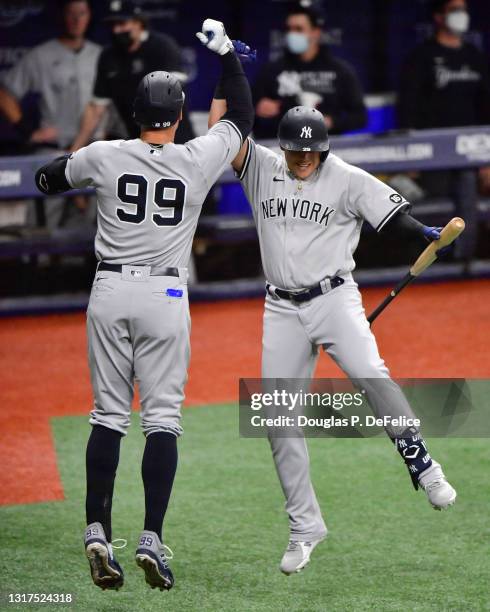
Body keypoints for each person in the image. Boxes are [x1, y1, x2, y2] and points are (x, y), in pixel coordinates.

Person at [34, 18, 253, 591]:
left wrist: (64, 168)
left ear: (134, 113)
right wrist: (228, 55)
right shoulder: (198, 157)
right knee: (162, 421)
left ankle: (97, 533)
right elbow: (243, 119)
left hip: (110, 292)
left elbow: (48, 179)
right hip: (165, 293)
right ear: (179, 117)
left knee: (108, 415)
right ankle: (151, 538)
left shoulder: (104, 154)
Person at [209, 97, 456, 574]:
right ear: (281, 148)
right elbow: (229, 129)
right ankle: (305, 527)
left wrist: (426, 232)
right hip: (280, 307)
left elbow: (391, 217)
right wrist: (227, 65)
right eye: (295, 151)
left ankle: (421, 462)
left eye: (311, 152)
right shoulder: (261, 166)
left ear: (323, 148)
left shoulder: (345, 175)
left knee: (370, 373)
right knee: (277, 421)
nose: (303, 159)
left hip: (334, 298)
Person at [398, 0, 490, 264]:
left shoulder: (474, 56)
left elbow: (485, 110)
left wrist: (485, 161)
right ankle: (462, 261)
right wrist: (411, 159)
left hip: (474, 156)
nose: (461, 15)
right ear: (439, 16)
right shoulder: (422, 57)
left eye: (464, 9)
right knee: (464, 179)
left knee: (468, 176)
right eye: (454, 9)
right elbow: (408, 111)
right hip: (433, 160)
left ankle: (464, 257)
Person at [0, 0, 102, 228]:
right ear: (62, 17)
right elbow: (5, 94)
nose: (76, 20)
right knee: (42, 227)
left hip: (91, 151)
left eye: (82, 13)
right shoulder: (42, 55)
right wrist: (28, 132)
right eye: (71, 13)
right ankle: (42, 263)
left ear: (89, 16)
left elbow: (102, 108)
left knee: (92, 230)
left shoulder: (100, 55)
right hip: (53, 153)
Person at [71, 0, 194, 151]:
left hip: (176, 144)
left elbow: (174, 97)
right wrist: (74, 151)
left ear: (138, 22)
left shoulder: (162, 47)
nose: (116, 30)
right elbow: (96, 107)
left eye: (122, 24)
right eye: (112, 25)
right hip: (138, 147)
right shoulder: (108, 56)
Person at [253, 3, 367, 139]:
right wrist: (259, 110)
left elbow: (360, 116)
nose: (292, 34)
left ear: (316, 32)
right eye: (289, 29)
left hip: (328, 149)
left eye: (298, 29)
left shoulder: (340, 71)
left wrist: (331, 122)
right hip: (282, 149)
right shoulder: (271, 70)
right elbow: (248, 113)